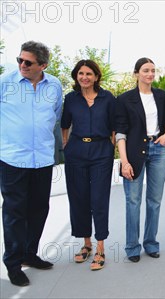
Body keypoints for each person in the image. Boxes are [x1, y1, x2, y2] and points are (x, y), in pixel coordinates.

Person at [0, 41, 62, 286]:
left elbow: (55, 116)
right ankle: (13, 264)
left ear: (43, 65)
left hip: (43, 160)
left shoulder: (54, 85)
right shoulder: (6, 82)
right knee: (14, 213)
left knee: (39, 210)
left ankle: (29, 253)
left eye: (28, 62)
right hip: (13, 159)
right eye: (19, 60)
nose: (22, 65)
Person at [114, 58, 165, 262]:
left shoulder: (163, 96)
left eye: (153, 71)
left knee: (154, 201)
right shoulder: (124, 99)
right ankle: (132, 247)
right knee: (133, 201)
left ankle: (151, 243)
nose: (150, 74)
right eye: (145, 70)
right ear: (136, 73)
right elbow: (120, 132)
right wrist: (125, 161)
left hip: (159, 149)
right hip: (134, 151)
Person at [61, 59, 116, 271]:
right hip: (76, 152)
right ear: (76, 76)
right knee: (79, 198)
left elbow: (114, 126)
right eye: (81, 73)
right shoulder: (71, 99)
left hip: (101, 152)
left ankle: (101, 247)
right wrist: (66, 145)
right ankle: (86, 244)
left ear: (96, 76)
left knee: (99, 199)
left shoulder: (107, 98)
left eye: (89, 74)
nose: (84, 77)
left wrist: (110, 147)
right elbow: (65, 124)